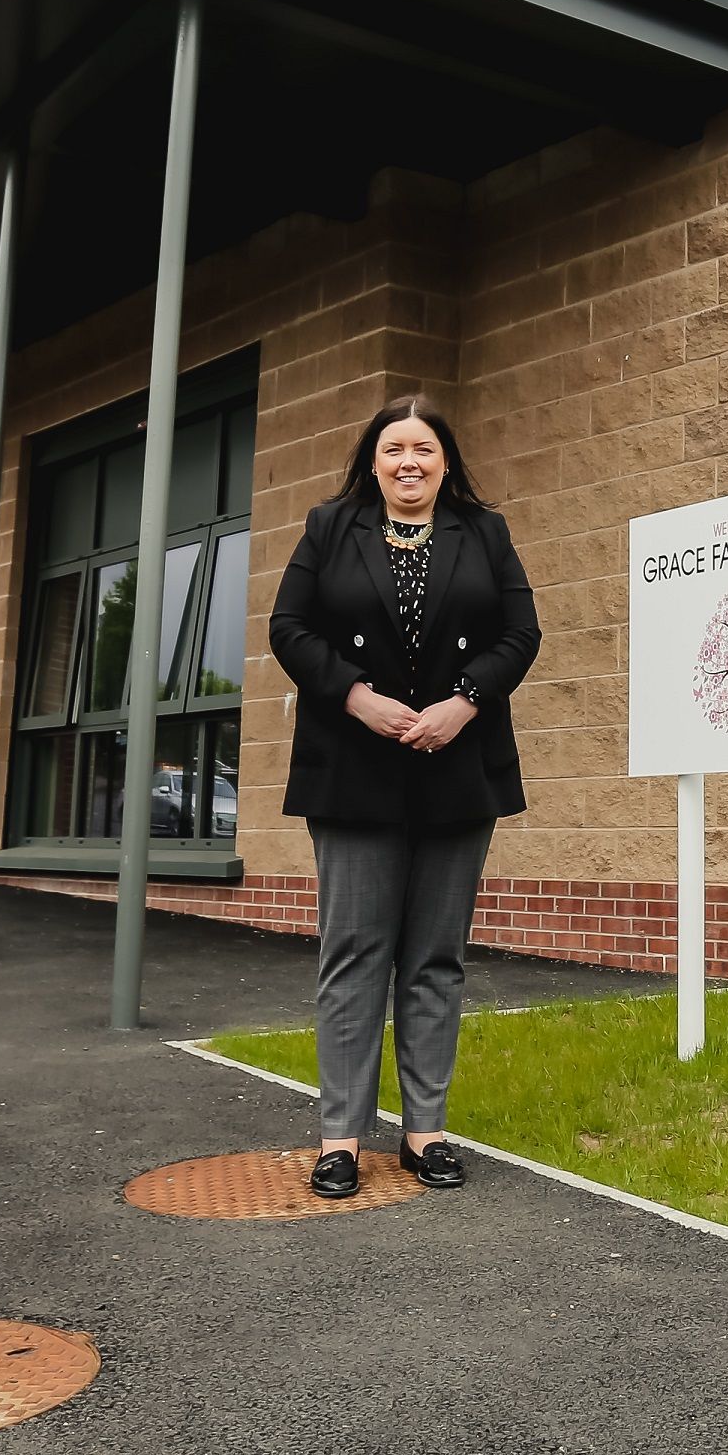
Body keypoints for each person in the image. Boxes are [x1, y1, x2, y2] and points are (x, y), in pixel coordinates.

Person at [268, 394, 540, 1201]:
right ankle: (341, 1139)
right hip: (355, 768)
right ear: (373, 461)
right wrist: (355, 696)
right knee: (354, 955)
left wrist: (464, 703)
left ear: (445, 461)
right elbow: (290, 628)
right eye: (394, 450)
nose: (409, 463)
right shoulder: (328, 527)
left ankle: (425, 1133)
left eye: (423, 449)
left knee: (434, 958)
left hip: (458, 769)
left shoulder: (484, 533)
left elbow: (519, 635)